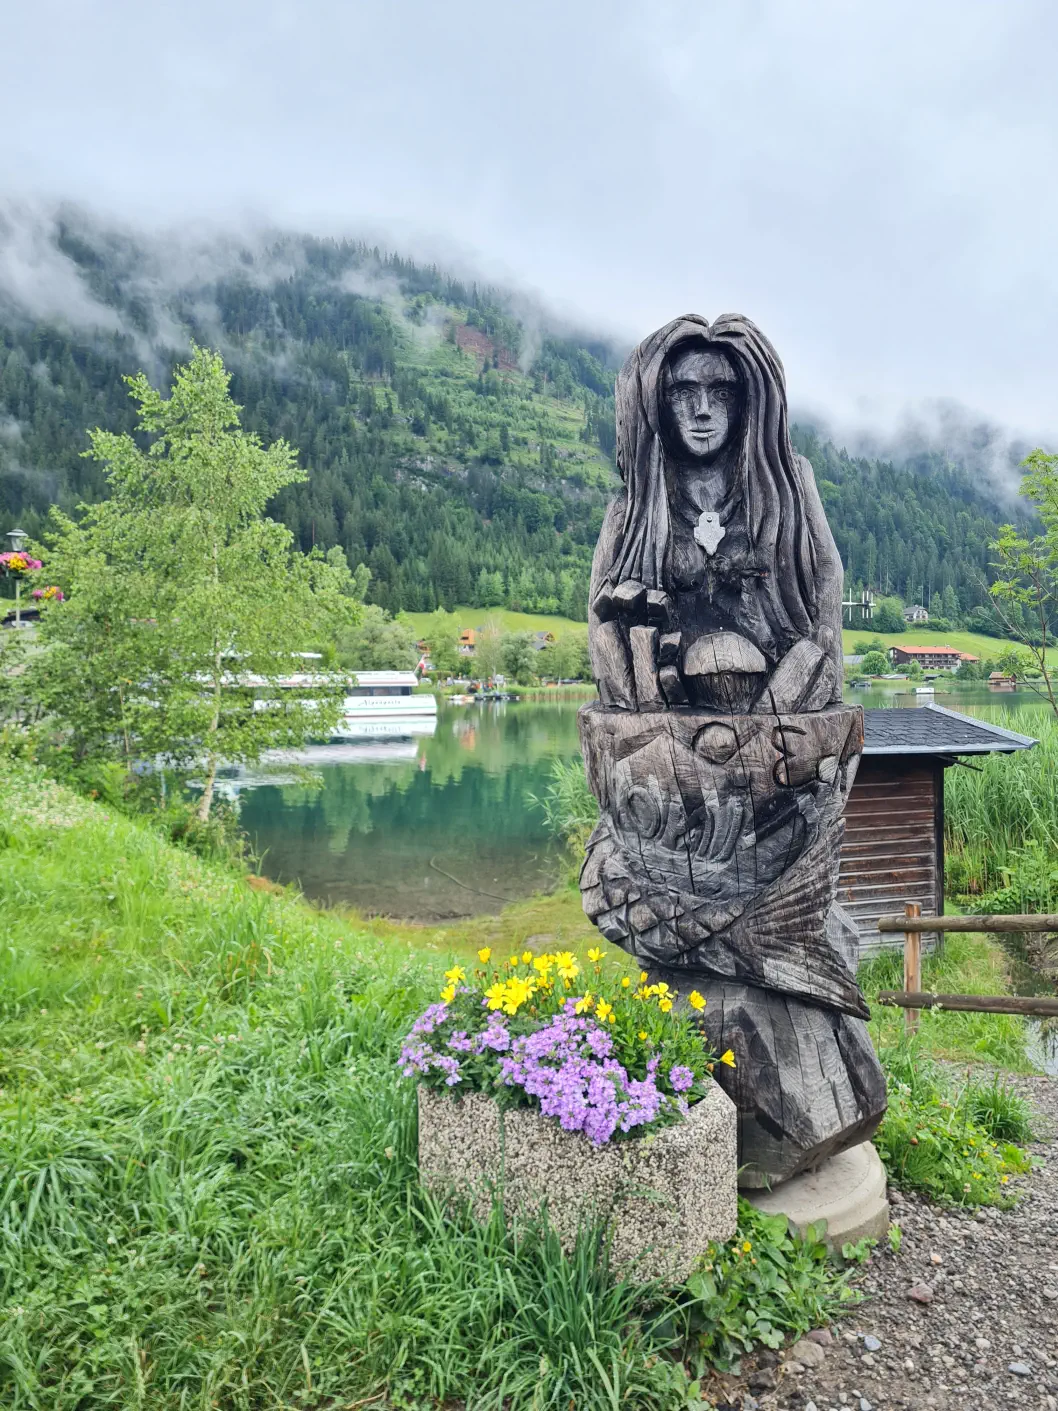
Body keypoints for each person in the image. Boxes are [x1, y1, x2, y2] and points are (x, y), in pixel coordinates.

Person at [589, 313, 844, 713]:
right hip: (663, 709)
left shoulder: (789, 488)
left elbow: (828, 572)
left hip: (778, 704)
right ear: (656, 403)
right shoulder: (631, 513)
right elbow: (601, 624)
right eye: (683, 392)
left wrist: (829, 673)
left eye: (722, 392)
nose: (703, 410)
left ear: (747, 402)